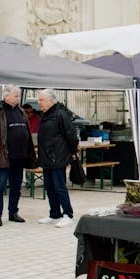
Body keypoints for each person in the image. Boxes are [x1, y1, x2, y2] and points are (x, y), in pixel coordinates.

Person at [0, 85, 36, 226]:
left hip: (19, 157)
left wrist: (29, 154)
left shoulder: (21, 112)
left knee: (16, 186)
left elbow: (28, 134)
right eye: (15, 96)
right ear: (6, 96)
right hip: (3, 157)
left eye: (18, 96)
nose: (18, 98)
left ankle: (13, 212)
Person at [36, 88, 78, 228]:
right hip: (46, 157)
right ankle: (54, 213)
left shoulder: (60, 114)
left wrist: (72, 151)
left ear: (50, 100)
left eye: (41, 100)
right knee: (49, 187)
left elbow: (71, 135)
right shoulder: (46, 115)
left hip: (58, 156)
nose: (39, 103)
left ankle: (68, 214)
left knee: (59, 186)